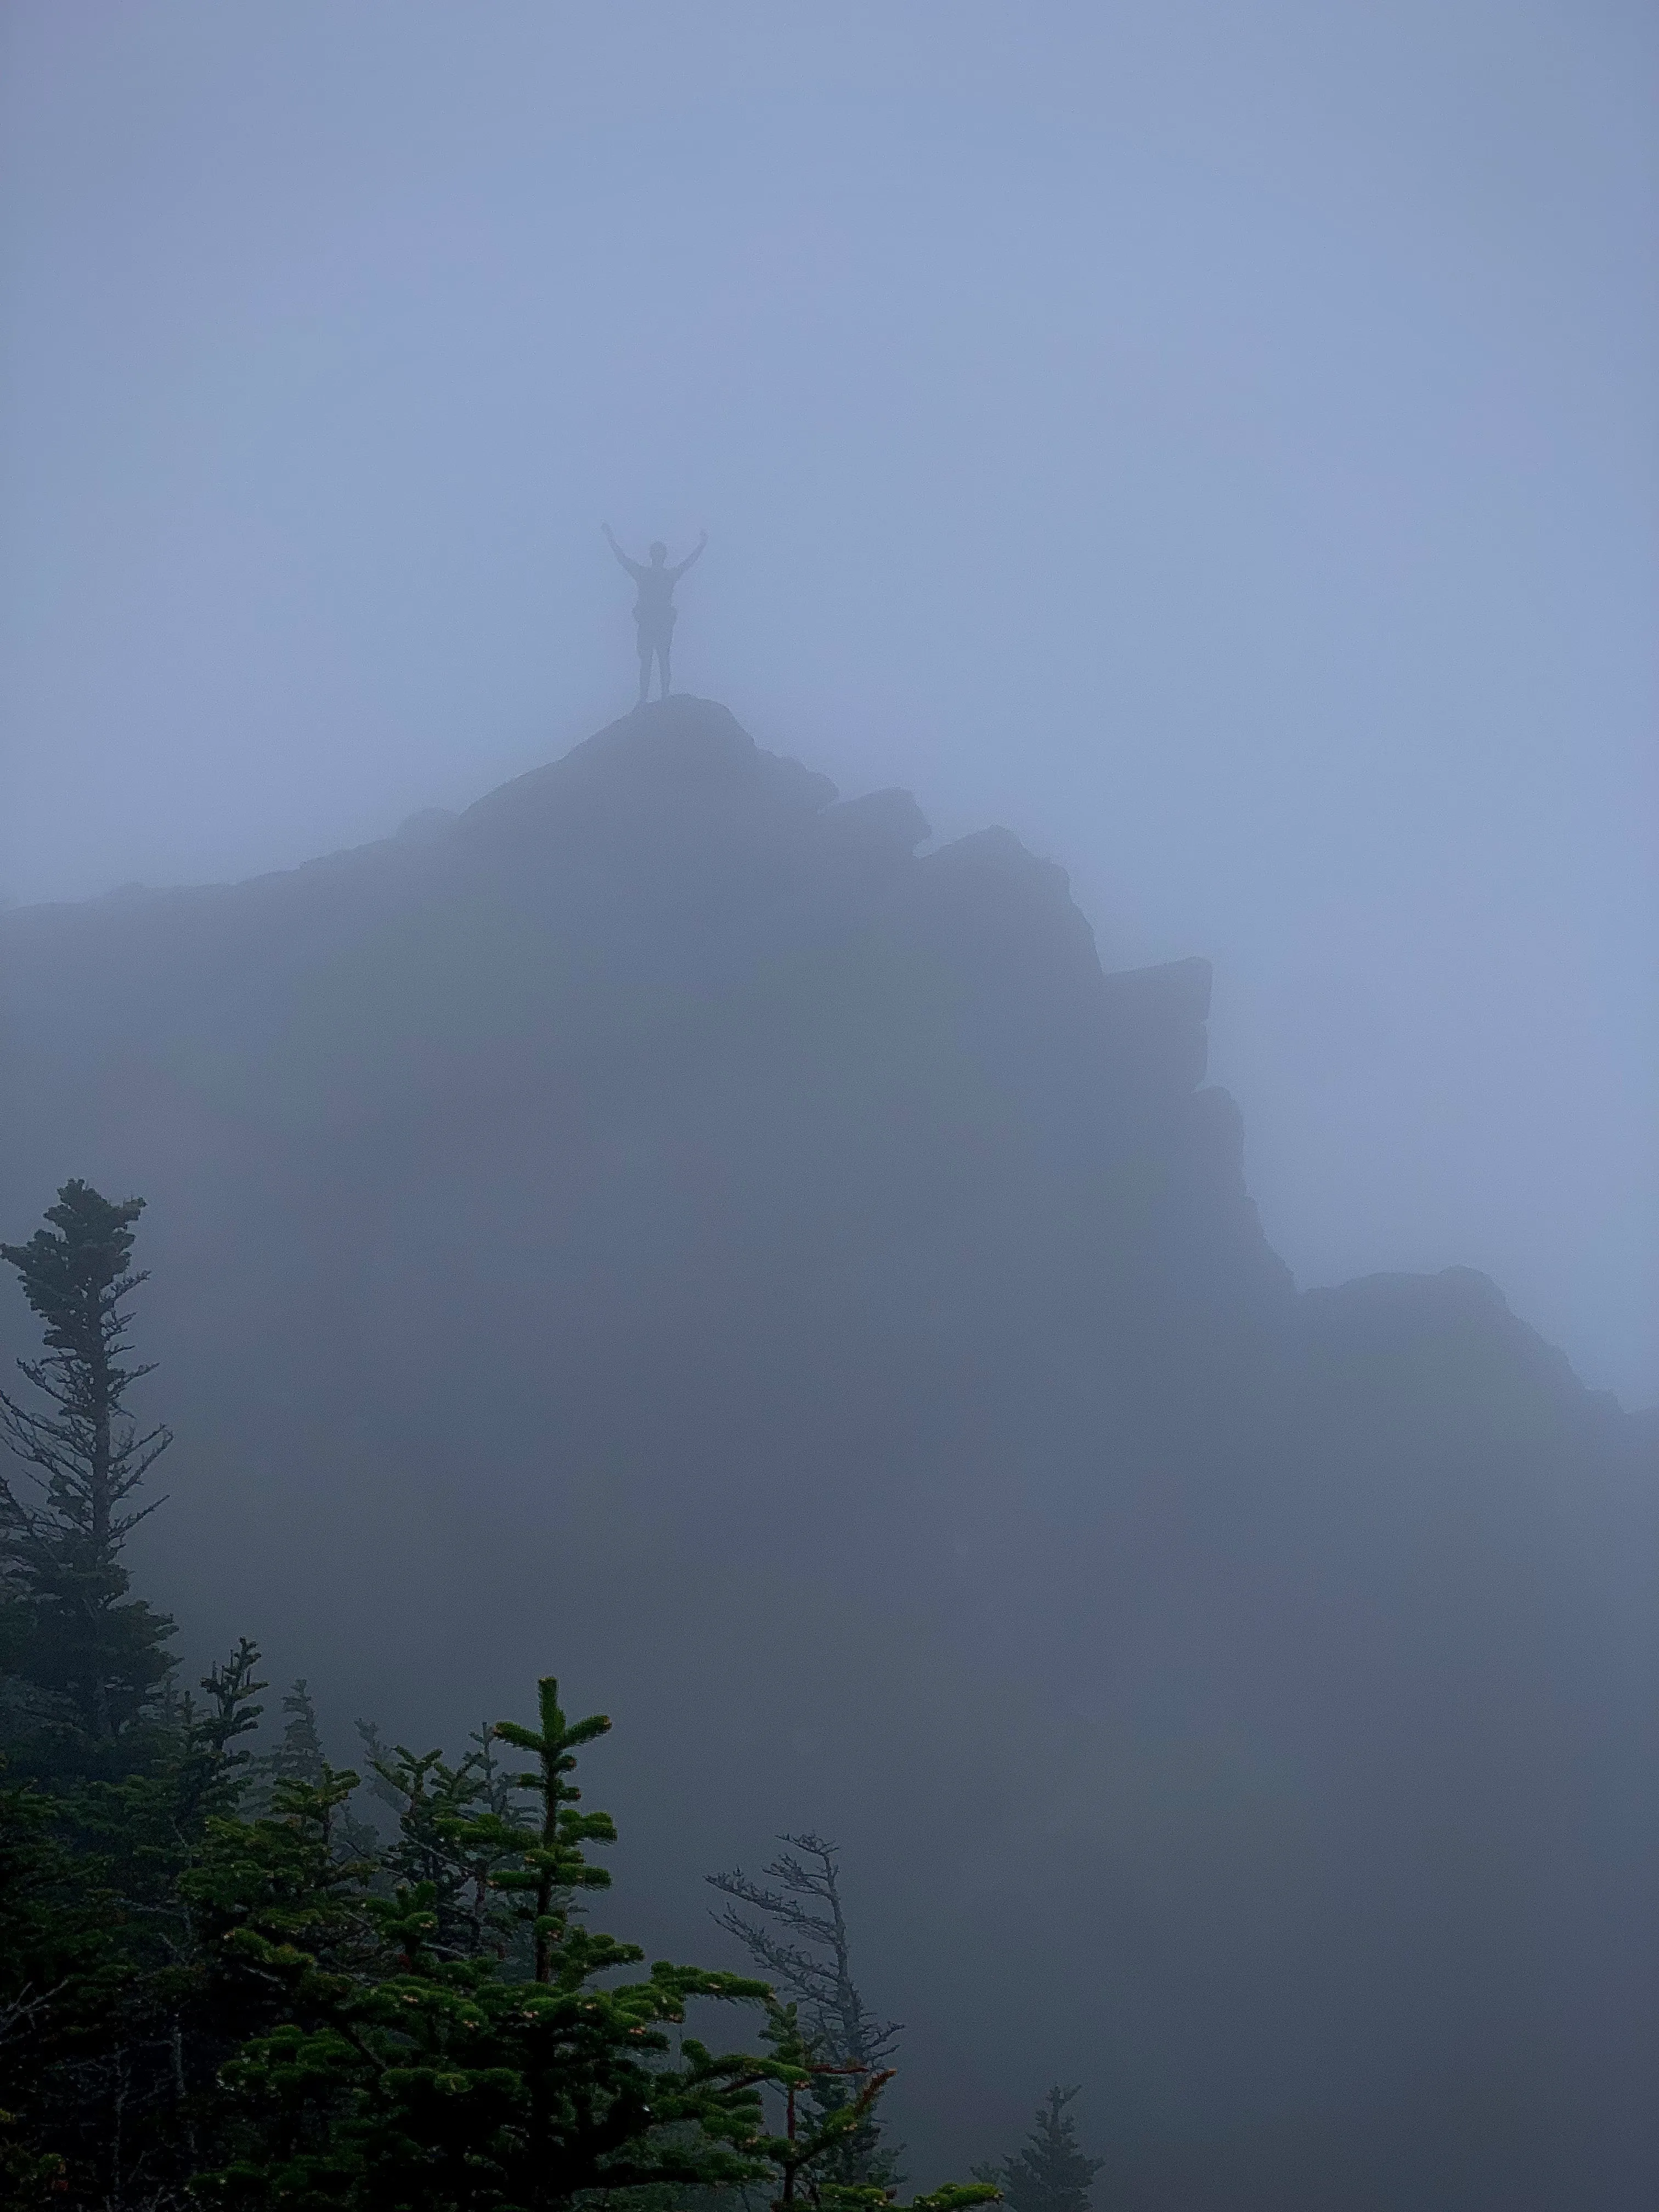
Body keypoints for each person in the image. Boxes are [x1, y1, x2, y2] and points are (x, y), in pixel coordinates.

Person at [602, 524, 707, 704]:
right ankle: (645, 698)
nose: (658, 556)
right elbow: (622, 558)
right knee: (647, 662)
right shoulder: (649, 575)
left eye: (660, 553)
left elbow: (689, 562)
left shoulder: (664, 576)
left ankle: (663, 697)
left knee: (662, 661)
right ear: (654, 556)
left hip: (661, 624)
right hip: (649, 623)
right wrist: (610, 537)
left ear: (661, 556)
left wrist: (702, 545)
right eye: (656, 553)